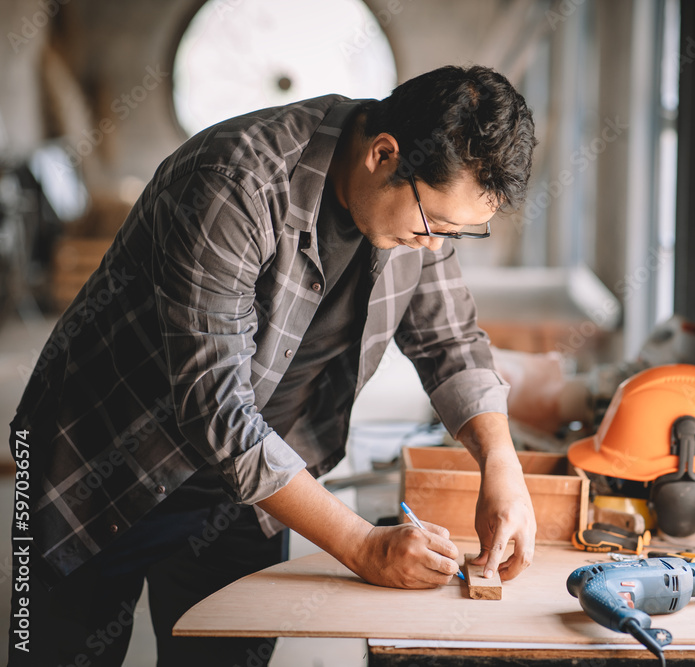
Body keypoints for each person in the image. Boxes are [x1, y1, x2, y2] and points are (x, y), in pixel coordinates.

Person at [8, 65, 538, 666]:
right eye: (434, 225)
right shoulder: (235, 181)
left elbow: (451, 341)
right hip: (95, 462)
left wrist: (502, 465)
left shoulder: (417, 213)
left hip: (253, 491)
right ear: (383, 154)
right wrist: (362, 545)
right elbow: (218, 410)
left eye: (456, 234)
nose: (437, 247)